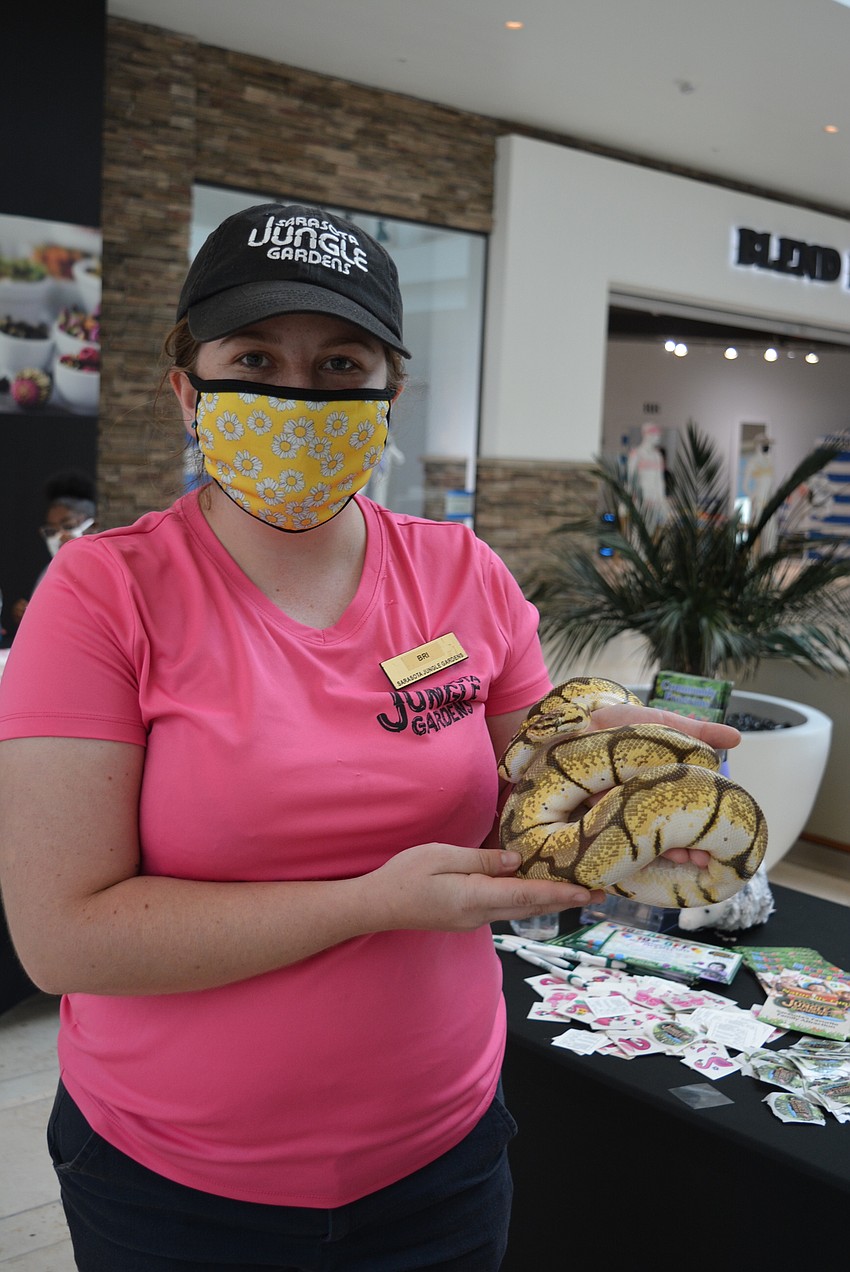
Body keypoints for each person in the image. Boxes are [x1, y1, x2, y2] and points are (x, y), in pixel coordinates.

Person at [0, 203, 739, 1271]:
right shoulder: (105, 592)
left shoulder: (459, 571)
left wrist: (610, 772)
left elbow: (530, 773)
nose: (298, 395)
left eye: (340, 365)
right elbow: (65, 938)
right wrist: (372, 904)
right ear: (184, 386)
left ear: (388, 392)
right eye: (254, 356)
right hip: (181, 1188)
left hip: (442, 1157)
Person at [10, 470, 97, 625]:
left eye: (68, 526)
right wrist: (28, 617)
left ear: (93, 527)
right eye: (51, 530)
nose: (60, 536)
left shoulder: (106, 574)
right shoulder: (48, 572)